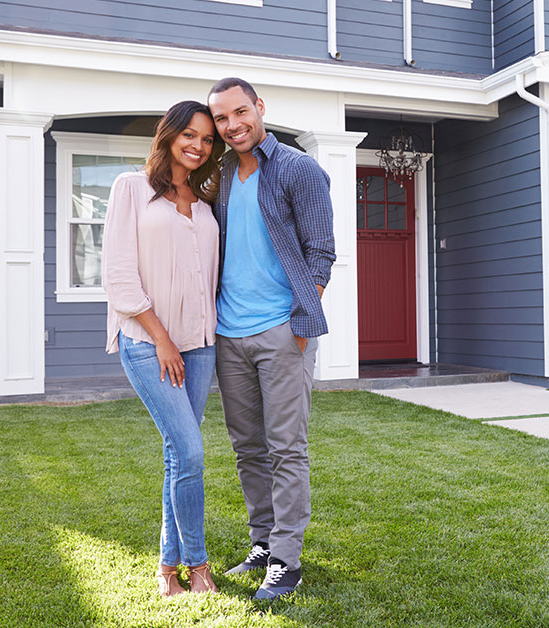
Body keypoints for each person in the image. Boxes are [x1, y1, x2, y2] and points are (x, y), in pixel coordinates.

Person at [206, 77, 336, 601]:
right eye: (221, 118)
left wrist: (300, 321)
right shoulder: (218, 176)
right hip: (228, 334)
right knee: (247, 448)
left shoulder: (299, 169)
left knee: (287, 448)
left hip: (282, 332)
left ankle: (287, 558)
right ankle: (262, 542)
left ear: (259, 108)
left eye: (241, 112)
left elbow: (321, 251)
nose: (233, 125)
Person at [102, 100, 224, 597]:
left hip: (200, 346)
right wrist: (161, 338)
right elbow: (118, 276)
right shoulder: (130, 188)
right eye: (189, 135)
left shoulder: (205, 200)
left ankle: (166, 569)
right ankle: (198, 567)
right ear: (169, 135)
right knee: (190, 450)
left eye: (207, 139)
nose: (197, 145)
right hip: (150, 344)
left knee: (180, 456)